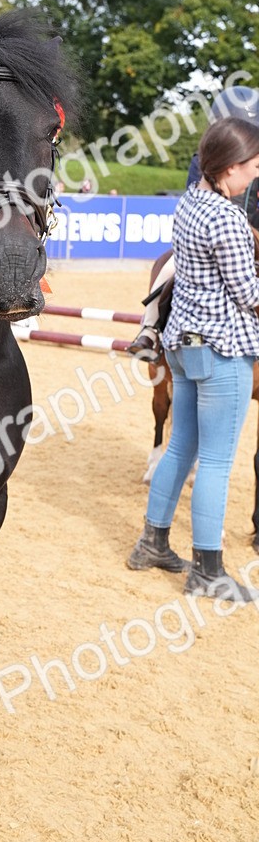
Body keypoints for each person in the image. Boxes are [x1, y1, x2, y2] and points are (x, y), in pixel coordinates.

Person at [127, 116, 259, 601]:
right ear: (230, 167)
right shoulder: (227, 218)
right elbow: (249, 293)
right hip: (223, 350)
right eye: (253, 166)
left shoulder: (190, 202)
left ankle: (152, 542)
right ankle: (207, 571)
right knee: (218, 462)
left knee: (181, 446)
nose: (256, 174)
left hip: (182, 346)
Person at [127, 86, 259, 361]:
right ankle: (149, 328)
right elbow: (196, 196)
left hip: (252, 237)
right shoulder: (204, 159)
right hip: (215, 237)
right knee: (168, 266)